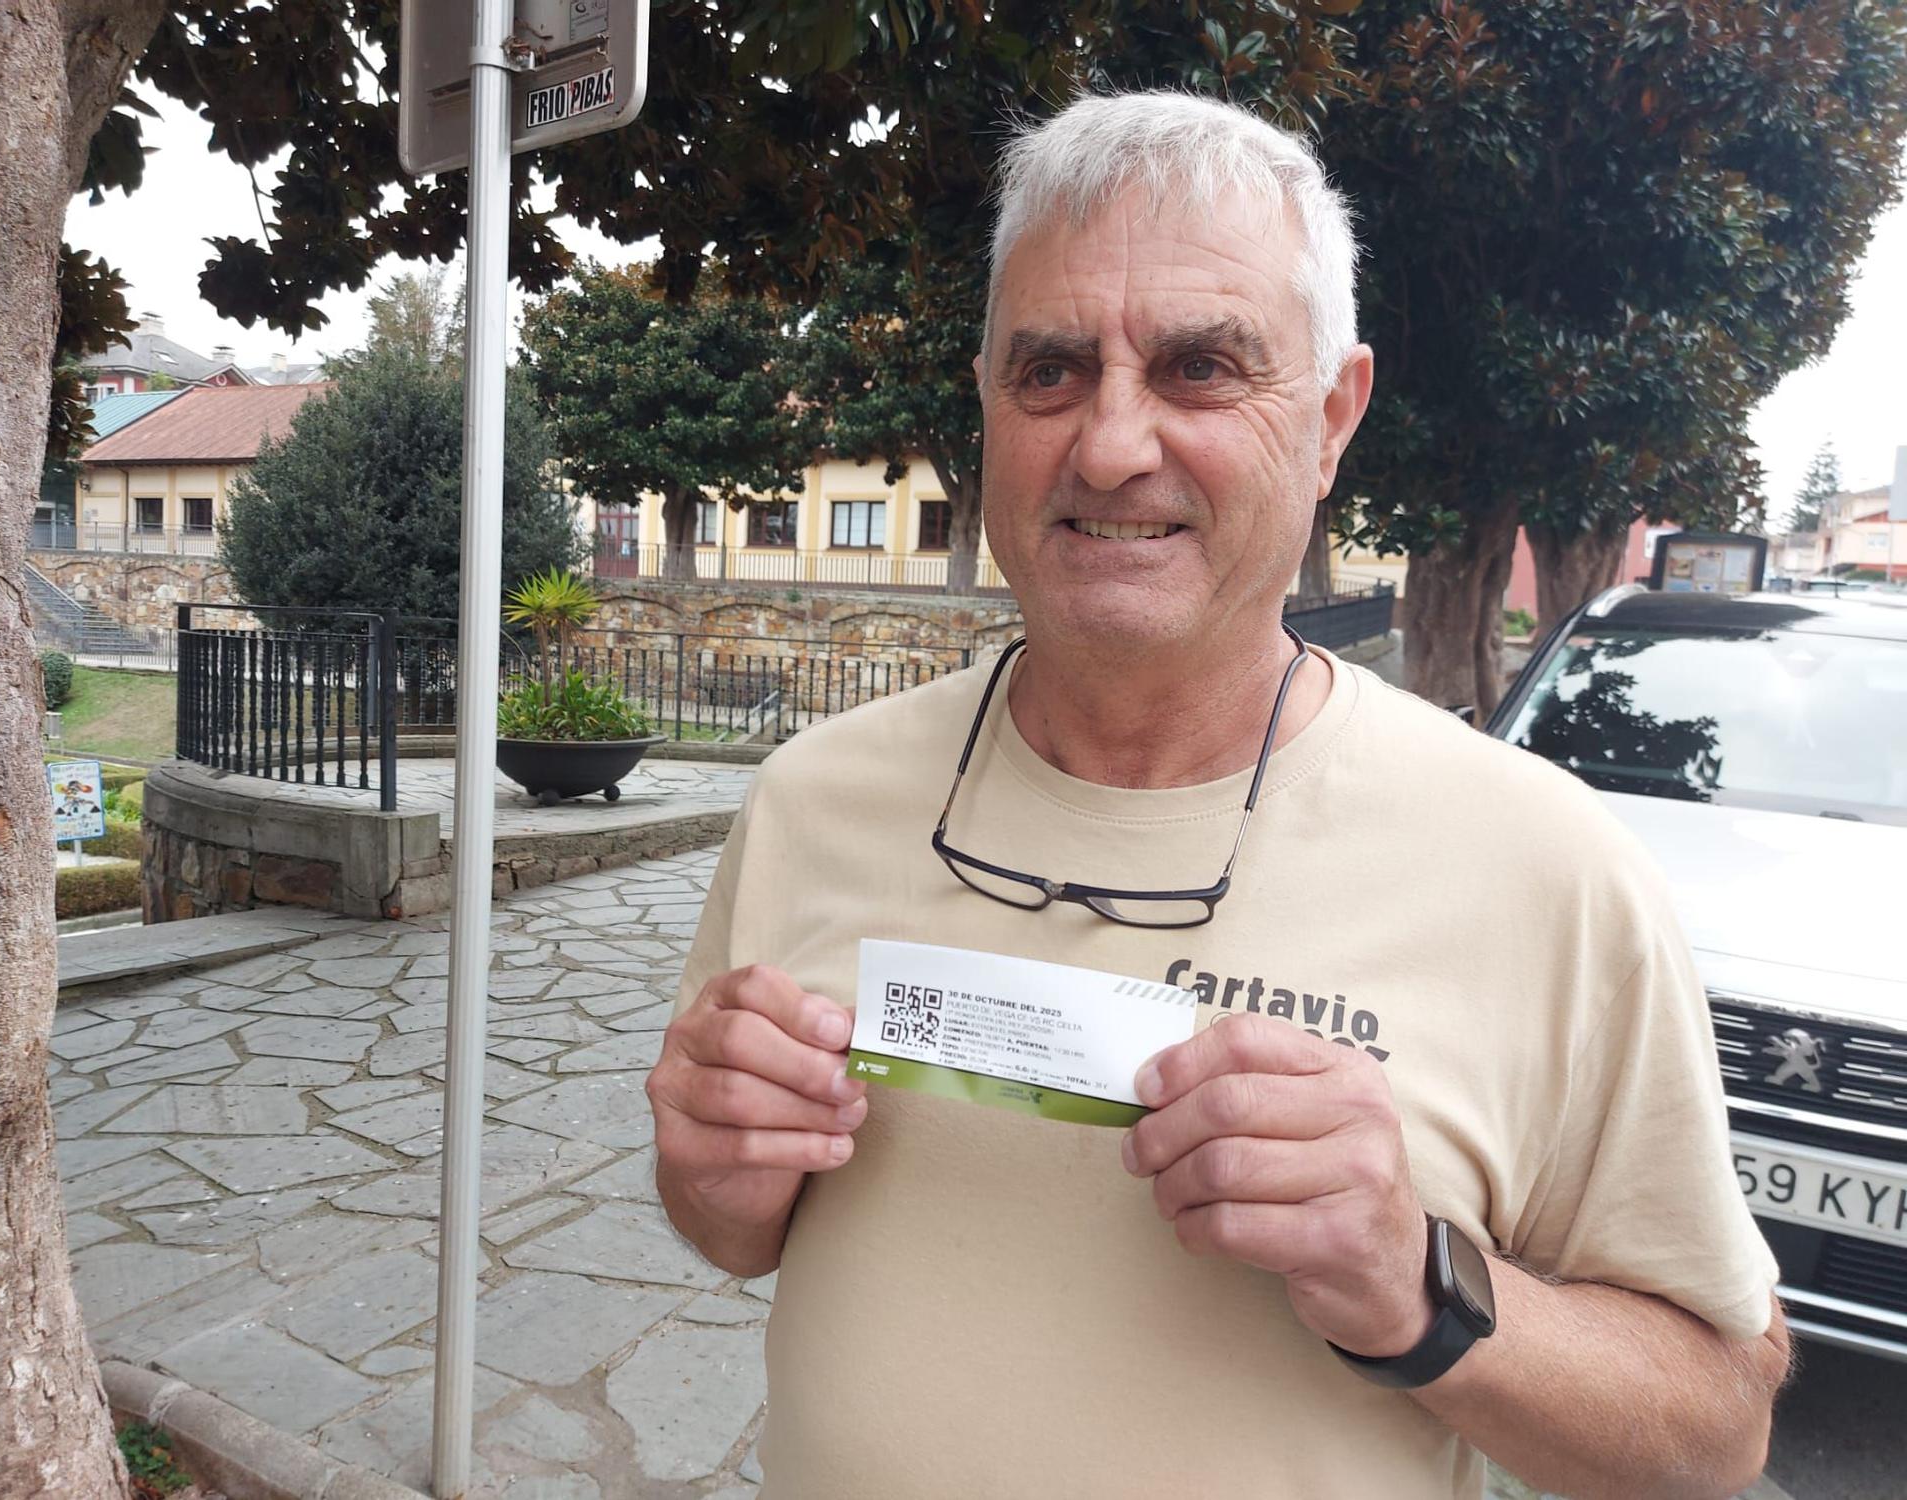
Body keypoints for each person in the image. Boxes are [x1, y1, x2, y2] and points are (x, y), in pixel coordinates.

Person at [650, 91, 1787, 1499]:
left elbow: (1718, 1429)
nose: (1112, 444)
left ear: (1330, 419)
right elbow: (734, 1228)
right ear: (987, 403)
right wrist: (712, 1175)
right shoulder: (810, 800)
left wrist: (1416, 1285)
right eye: (1050, 371)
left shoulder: (1546, 871)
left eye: (1199, 368)